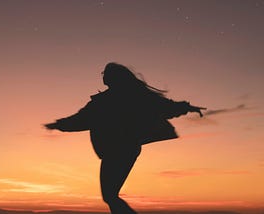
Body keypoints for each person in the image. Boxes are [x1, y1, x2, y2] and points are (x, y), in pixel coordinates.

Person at [44, 62, 206, 214]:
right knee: (110, 195)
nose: (103, 76)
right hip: (117, 150)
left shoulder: (122, 98)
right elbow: (81, 119)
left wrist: (186, 107)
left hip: (122, 149)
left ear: (115, 76)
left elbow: (164, 106)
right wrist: (59, 125)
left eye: (106, 73)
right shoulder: (105, 100)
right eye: (103, 73)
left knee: (109, 196)